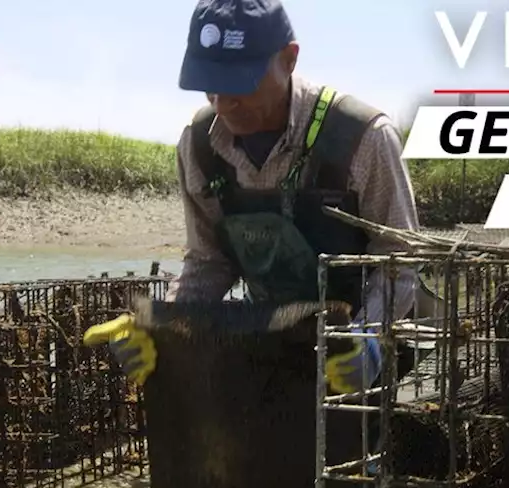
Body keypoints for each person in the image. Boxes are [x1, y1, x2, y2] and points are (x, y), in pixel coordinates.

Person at [94, 0, 427, 394]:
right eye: (211, 84)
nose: (223, 102)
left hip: (376, 352)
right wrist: (164, 326)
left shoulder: (363, 136)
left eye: (240, 81)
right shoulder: (199, 146)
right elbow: (208, 260)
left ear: (289, 59)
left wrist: (369, 337)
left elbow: (400, 259)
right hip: (278, 344)